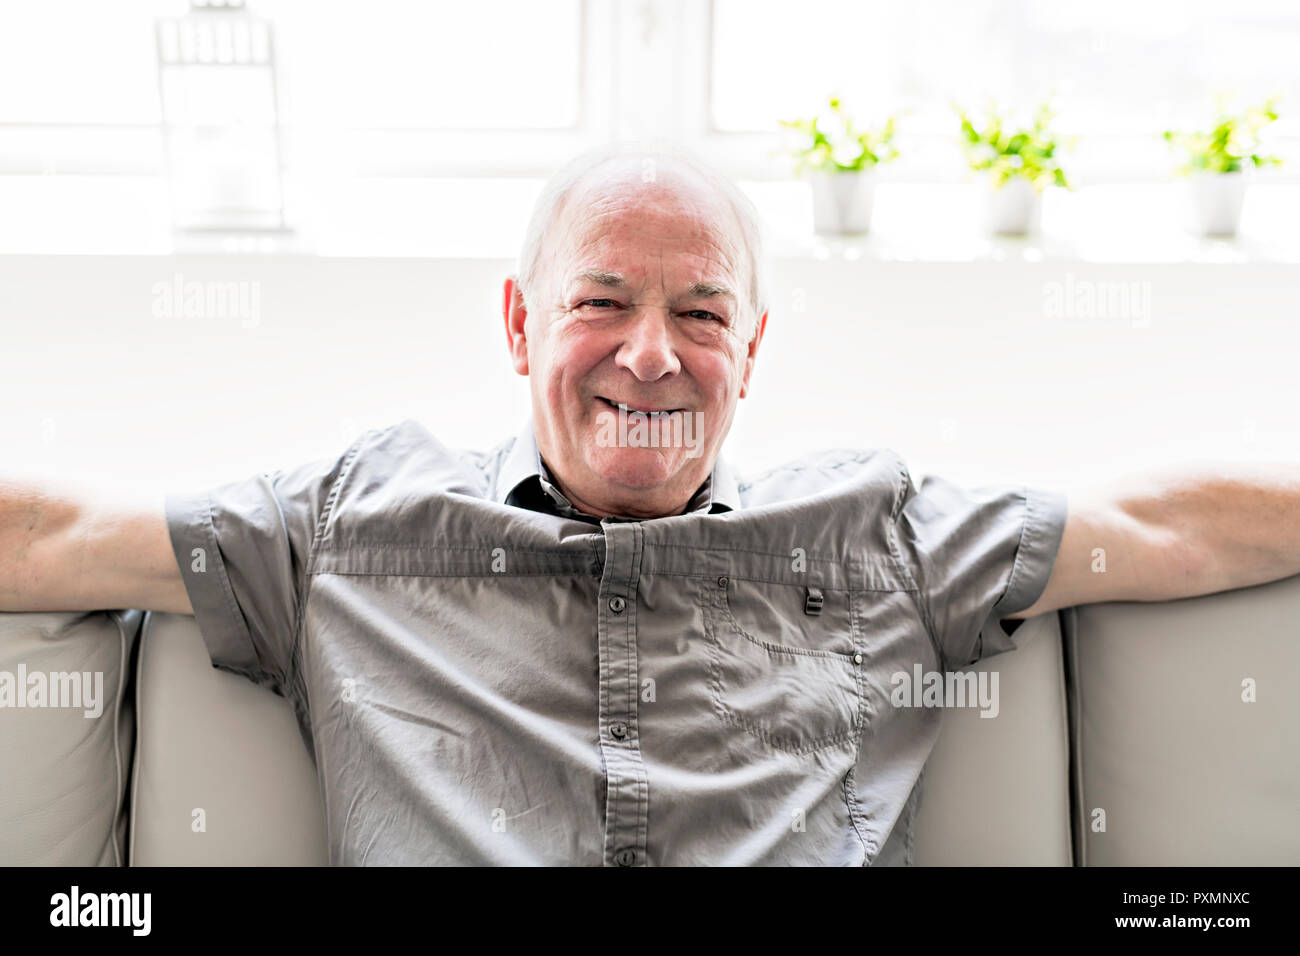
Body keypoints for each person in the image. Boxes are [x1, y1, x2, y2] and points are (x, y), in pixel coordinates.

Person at [3, 144, 1298, 865]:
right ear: (520, 323)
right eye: (600, 302)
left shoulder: (879, 533)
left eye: (700, 312)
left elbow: (1175, 525)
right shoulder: (353, 526)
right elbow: (55, 536)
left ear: (756, 343)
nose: (651, 355)